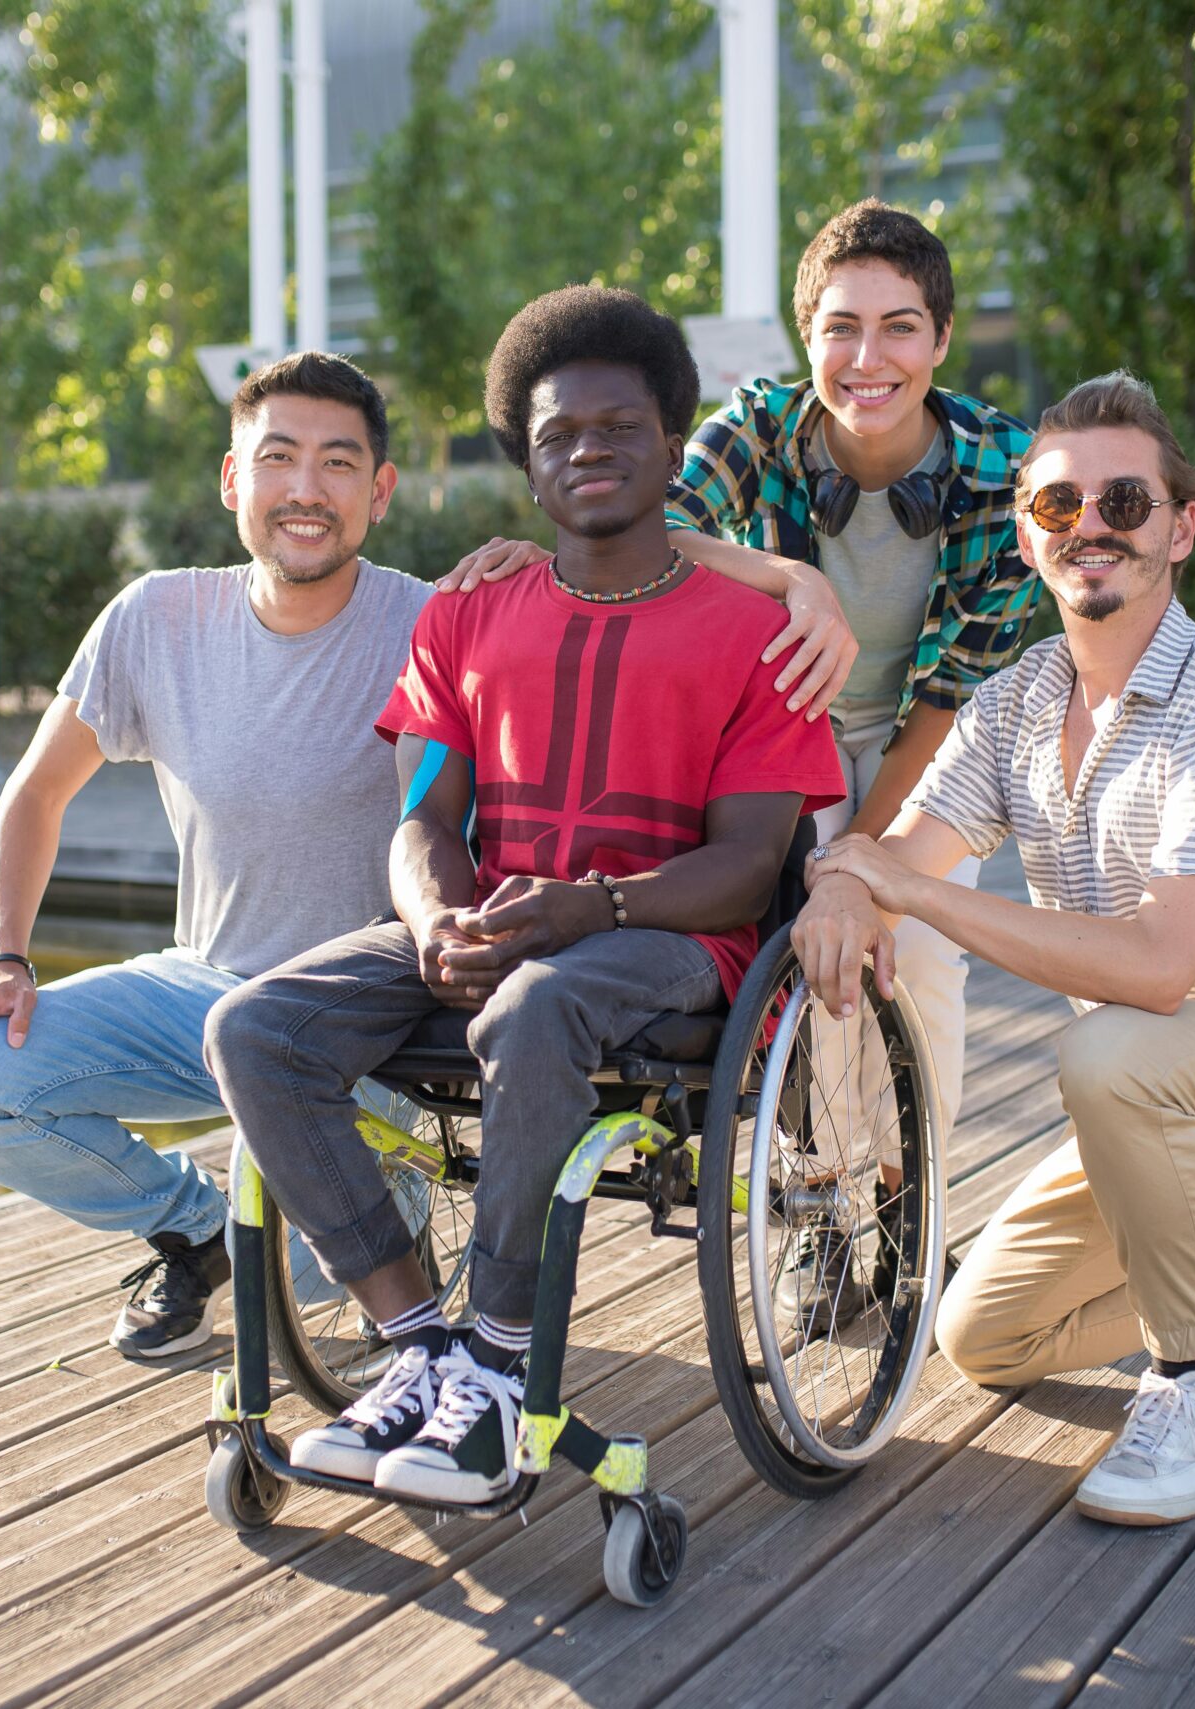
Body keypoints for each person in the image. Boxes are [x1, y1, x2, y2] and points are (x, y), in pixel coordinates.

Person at [205, 287, 847, 1505]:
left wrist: (588, 909)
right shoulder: (463, 617)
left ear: (672, 444)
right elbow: (426, 820)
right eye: (559, 435)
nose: (588, 451)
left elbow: (749, 869)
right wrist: (436, 914)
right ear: (526, 461)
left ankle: (497, 1369)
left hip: (670, 941)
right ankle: (418, 1343)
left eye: (619, 428)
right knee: (252, 1028)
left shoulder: (757, 634)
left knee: (538, 1003)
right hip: (497, 922)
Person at [790, 371, 1195, 1527]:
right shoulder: (1013, 706)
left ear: (1179, 527)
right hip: (1159, 1091)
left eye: (1125, 502)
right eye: (1056, 506)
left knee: (1112, 1053)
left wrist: (906, 892)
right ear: (1029, 536)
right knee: (986, 1333)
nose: (1090, 525)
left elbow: (1153, 969)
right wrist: (850, 886)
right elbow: (905, 851)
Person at [446, 200, 1037, 1323]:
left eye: (900, 328)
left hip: (927, 735)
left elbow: (950, 696)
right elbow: (641, 524)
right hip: (773, 730)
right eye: (841, 327)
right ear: (802, 333)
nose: (869, 359)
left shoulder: (1001, 472)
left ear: (942, 340)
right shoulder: (757, 426)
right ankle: (815, 1208)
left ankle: (909, 1214)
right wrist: (789, 579)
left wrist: (865, 861)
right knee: (797, 962)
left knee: (914, 959)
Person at [0, 352, 423, 1360]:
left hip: (372, 1019)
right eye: (277, 459)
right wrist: (2, 959)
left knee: (317, 1271)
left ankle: (348, 1233)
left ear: (381, 490)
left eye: (336, 462)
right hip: (206, 989)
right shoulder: (157, 617)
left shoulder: (432, 622)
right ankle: (190, 1227)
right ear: (233, 481)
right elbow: (36, 792)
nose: (305, 490)